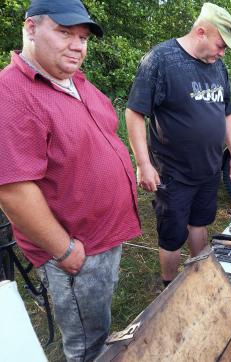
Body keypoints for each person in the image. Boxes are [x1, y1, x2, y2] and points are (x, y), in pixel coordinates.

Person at [0, 0, 141, 360]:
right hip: (77, 251)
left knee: (99, 323)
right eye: (64, 33)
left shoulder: (73, 80)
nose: (78, 45)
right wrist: (65, 251)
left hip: (104, 237)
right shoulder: (12, 92)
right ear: (31, 28)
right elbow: (13, 191)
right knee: (86, 345)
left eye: (83, 37)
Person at [125, 3, 231, 288]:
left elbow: (227, 112)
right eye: (220, 45)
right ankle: (169, 286)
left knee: (200, 222)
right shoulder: (161, 60)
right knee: (172, 231)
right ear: (201, 32)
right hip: (173, 172)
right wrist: (143, 164)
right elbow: (134, 112)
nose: (222, 52)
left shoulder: (218, 67)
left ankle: (198, 279)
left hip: (209, 167)